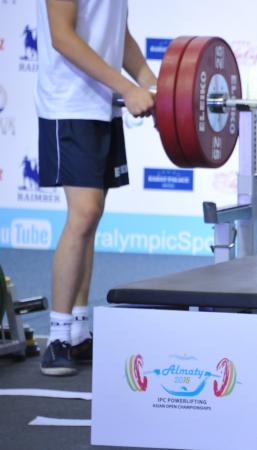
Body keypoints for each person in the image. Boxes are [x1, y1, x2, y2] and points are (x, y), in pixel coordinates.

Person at [36, 0, 155, 376]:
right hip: (68, 104)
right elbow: (63, 37)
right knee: (83, 213)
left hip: (102, 103)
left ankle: (78, 330)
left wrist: (148, 78)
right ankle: (56, 336)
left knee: (92, 216)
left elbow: (116, 34)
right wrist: (126, 85)